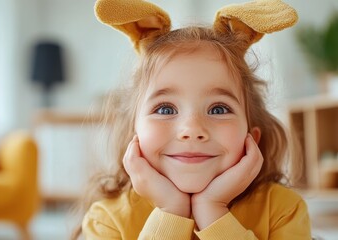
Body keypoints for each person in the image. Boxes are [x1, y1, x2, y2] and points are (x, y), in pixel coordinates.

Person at [72, 0, 312, 239]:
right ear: (133, 134)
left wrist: (213, 211)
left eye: (218, 109)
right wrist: (170, 212)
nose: (192, 129)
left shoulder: (283, 210)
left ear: (252, 138)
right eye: (165, 109)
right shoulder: (107, 220)